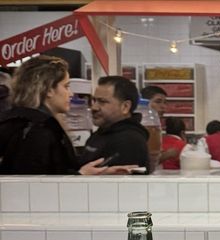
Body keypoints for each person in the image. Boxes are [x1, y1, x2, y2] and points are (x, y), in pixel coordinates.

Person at [0, 57, 135, 176]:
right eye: (66, 86)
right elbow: (32, 186)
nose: (70, 94)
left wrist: (93, 174)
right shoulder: (36, 131)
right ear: (48, 89)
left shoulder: (22, 123)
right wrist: (80, 176)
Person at [80, 76, 151, 171]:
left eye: (102, 101)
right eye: (94, 100)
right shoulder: (101, 133)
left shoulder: (129, 141)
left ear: (125, 107)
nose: (94, 107)